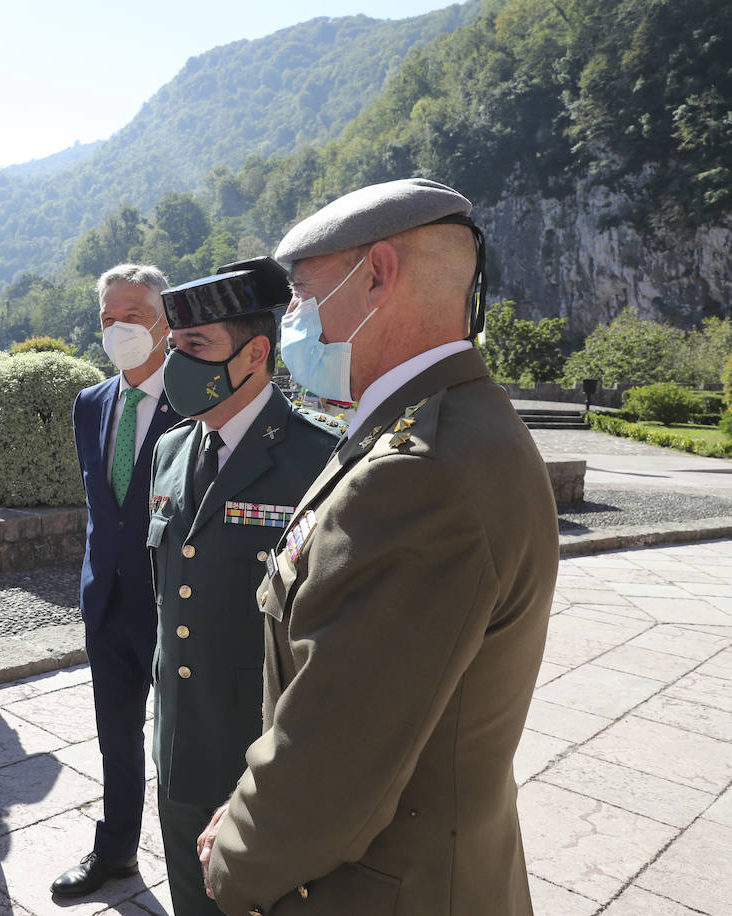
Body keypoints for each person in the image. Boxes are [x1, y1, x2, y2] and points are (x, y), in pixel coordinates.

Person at [201, 179, 558, 915]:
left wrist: (236, 858)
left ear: (378, 275)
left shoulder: (416, 475)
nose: (293, 316)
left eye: (301, 291)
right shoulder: (450, 423)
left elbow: (333, 762)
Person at [145, 259, 339, 915]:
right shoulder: (173, 449)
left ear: (256, 353)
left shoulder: (318, 460)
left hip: (256, 752)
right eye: (174, 348)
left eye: (195, 347)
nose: (177, 364)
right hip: (177, 742)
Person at [51, 264, 179, 898]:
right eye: (107, 318)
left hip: (180, 602)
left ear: (165, 320)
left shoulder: (200, 398)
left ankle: (206, 859)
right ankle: (117, 850)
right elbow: (105, 506)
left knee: (192, 741)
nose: (118, 328)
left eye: (132, 315)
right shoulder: (93, 403)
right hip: (107, 599)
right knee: (116, 737)